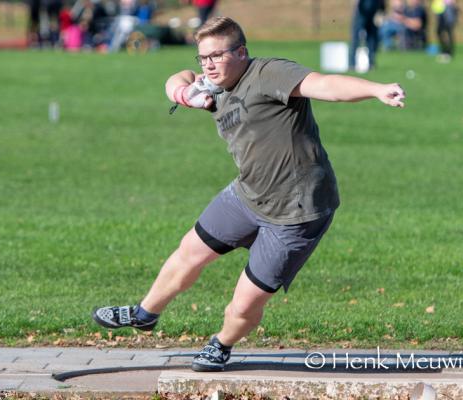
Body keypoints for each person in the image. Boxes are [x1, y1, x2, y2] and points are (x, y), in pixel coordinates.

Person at [92, 16, 405, 372]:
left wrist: (376, 89)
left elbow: (326, 84)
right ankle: (145, 313)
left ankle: (222, 344)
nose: (208, 65)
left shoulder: (269, 74)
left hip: (297, 212)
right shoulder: (213, 86)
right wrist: (185, 94)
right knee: (189, 252)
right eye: (203, 57)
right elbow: (175, 78)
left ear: (241, 52)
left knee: (242, 306)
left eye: (217, 56)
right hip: (247, 194)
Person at [349, 0, 385, 70]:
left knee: (359, 38)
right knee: (369, 38)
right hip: (367, 10)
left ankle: (352, 64)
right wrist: (382, 9)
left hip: (365, 10)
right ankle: (370, 63)